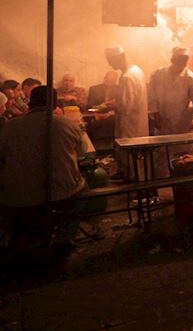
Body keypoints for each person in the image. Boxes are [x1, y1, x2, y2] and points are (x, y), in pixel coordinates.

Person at [0, 86, 88, 245]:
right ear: (55, 105)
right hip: (61, 193)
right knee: (81, 191)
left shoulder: (10, 126)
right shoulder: (68, 124)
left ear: (30, 103)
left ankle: (15, 238)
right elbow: (82, 153)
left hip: (16, 195)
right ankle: (65, 238)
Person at [148, 47, 193, 175]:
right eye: (180, 59)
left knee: (185, 163)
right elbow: (151, 98)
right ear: (172, 59)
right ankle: (163, 192)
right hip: (163, 125)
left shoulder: (191, 78)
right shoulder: (157, 74)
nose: (182, 62)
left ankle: (184, 192)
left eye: (185, 60)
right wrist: (155, 114)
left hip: (184, 127)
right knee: (161, 161)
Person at [105, 46, 148, 180]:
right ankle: (126, 173)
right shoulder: (137, 70)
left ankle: (131, 179)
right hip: (138, 119)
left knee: (128, 152)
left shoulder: (127, 77)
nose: (110, 64)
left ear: (119, 58)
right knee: (133, 153)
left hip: (129, 122)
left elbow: (125, 107)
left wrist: (112, 105)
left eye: (111, 61)